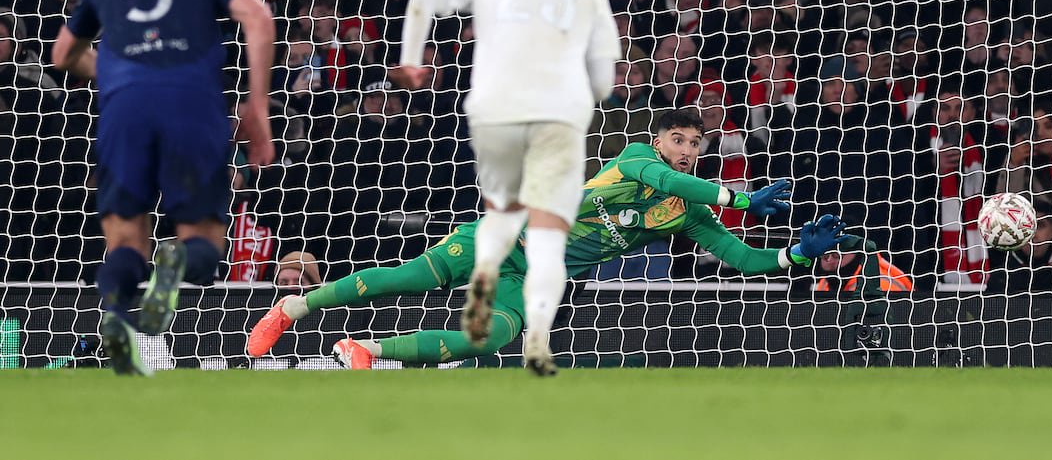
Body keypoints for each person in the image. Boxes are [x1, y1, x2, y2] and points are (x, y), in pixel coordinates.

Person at [245, 110, 837, 368]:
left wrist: (794, 254)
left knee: (492, 337)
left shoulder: (688, 211)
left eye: (695, 146)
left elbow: (738, 257)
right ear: (660, 141)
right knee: (406, 278)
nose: (685, 151)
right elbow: (657, 178)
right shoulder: (635, 160)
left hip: (532, 273)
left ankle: (367, 352)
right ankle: (293, 307)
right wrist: (736, 197)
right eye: (678, 140)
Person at [386, 0, 621, 377]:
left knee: (500, 214)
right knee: (549, 239)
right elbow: (604, 78)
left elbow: (421, 0)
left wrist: (411, 63)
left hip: (495, 111)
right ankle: (536, 339)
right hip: (557, 115)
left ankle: (486, 271)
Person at [49, 0, 275, 376]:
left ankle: (114, 322)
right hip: (193, 104)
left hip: (125, 108)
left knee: (125, 240)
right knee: (204, 244)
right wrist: (257, 106)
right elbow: (258, 19)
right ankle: (174, 265)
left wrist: (119, 73)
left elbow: (62, 54)